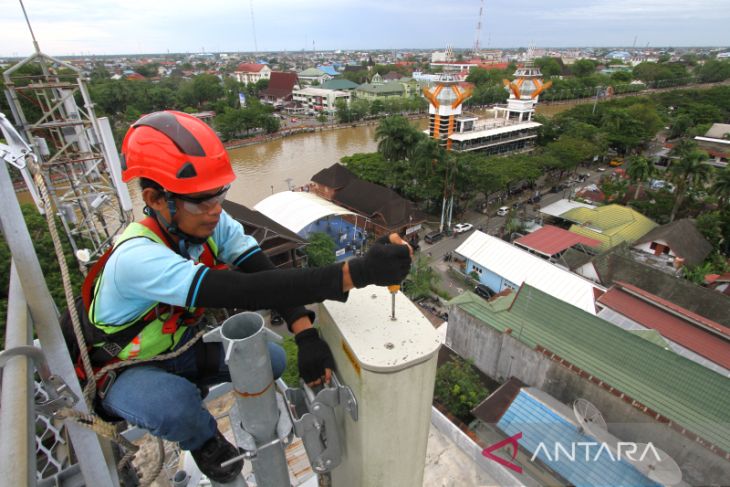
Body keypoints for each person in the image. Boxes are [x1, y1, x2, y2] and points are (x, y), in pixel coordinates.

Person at [91, 111, 411, 482]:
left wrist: (304, 333)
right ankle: (204, 440)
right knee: (176, 409)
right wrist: (357, 272)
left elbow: (262, 271)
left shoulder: (207, 220)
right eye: (200, 201)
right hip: (127, 371)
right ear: (155, 198)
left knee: (272, 360)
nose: (215, 211)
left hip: (179, 350)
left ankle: (186, 395)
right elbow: (245, 291)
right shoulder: (136, 258)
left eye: (219, 195)